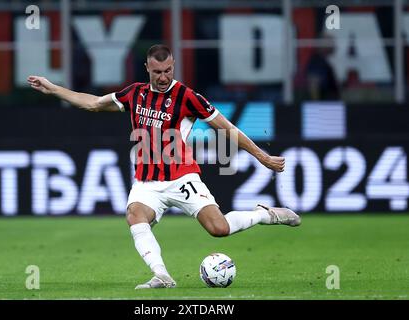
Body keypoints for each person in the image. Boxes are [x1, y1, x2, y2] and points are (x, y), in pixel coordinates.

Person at [27, 44, 301, 290]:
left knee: (219, 229)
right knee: (135, 215)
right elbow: (93, 104)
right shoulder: (134, 94)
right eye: (157, 71)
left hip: (181, 178)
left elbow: (226, 128)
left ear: (174, 67)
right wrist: (53, 88)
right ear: (147, 68)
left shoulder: (188, 97)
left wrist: (262, 157)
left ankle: (265, 214)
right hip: (147, 183)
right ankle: (162, 276)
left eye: (168, 70)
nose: (163, 77)